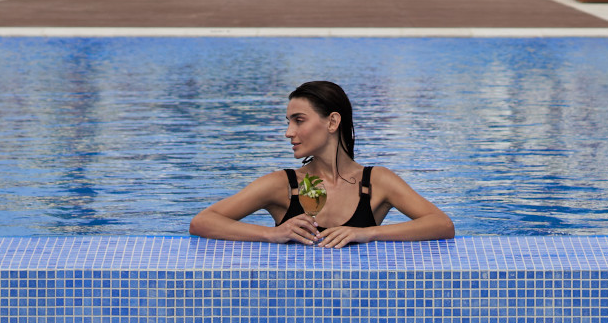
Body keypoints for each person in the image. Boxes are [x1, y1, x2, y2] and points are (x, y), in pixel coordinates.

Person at [189, 80, 454, 247]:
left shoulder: (376, 183)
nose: (288, 132)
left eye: (299, 120)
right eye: (288, 122)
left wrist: (367, 233)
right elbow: (202, 221)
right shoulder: (283, 185)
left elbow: (441, 224)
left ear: (332, 122)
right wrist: (271, 234)